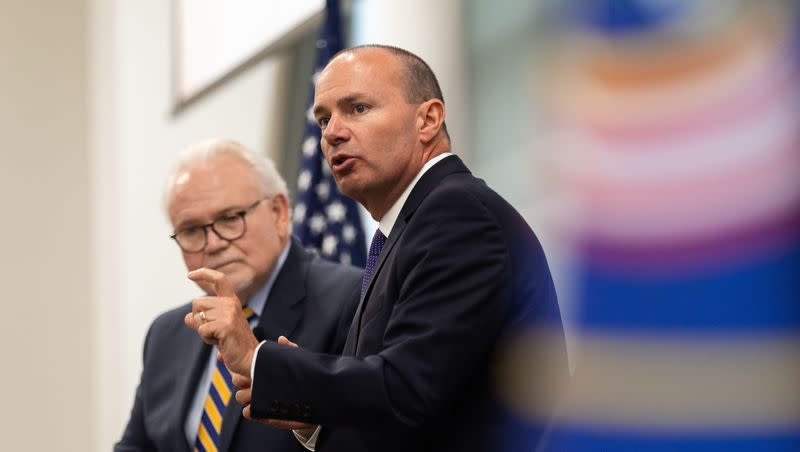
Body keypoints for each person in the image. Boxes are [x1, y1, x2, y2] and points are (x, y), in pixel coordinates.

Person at [186, 46, 568, 452]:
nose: (332, 132)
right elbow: (407, 410)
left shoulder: (457, 215)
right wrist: (314, 422)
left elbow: (407, 389)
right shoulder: (407, 229)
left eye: (358, 108)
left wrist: (259, 360)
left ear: (428, 119)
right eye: (324, 118)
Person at [115, 139, 362, 452]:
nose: (213, 243)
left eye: (230, 218)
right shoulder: (168, 333)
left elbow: (365, 440)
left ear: (279, 213)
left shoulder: (349, 300)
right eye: (191, 230)